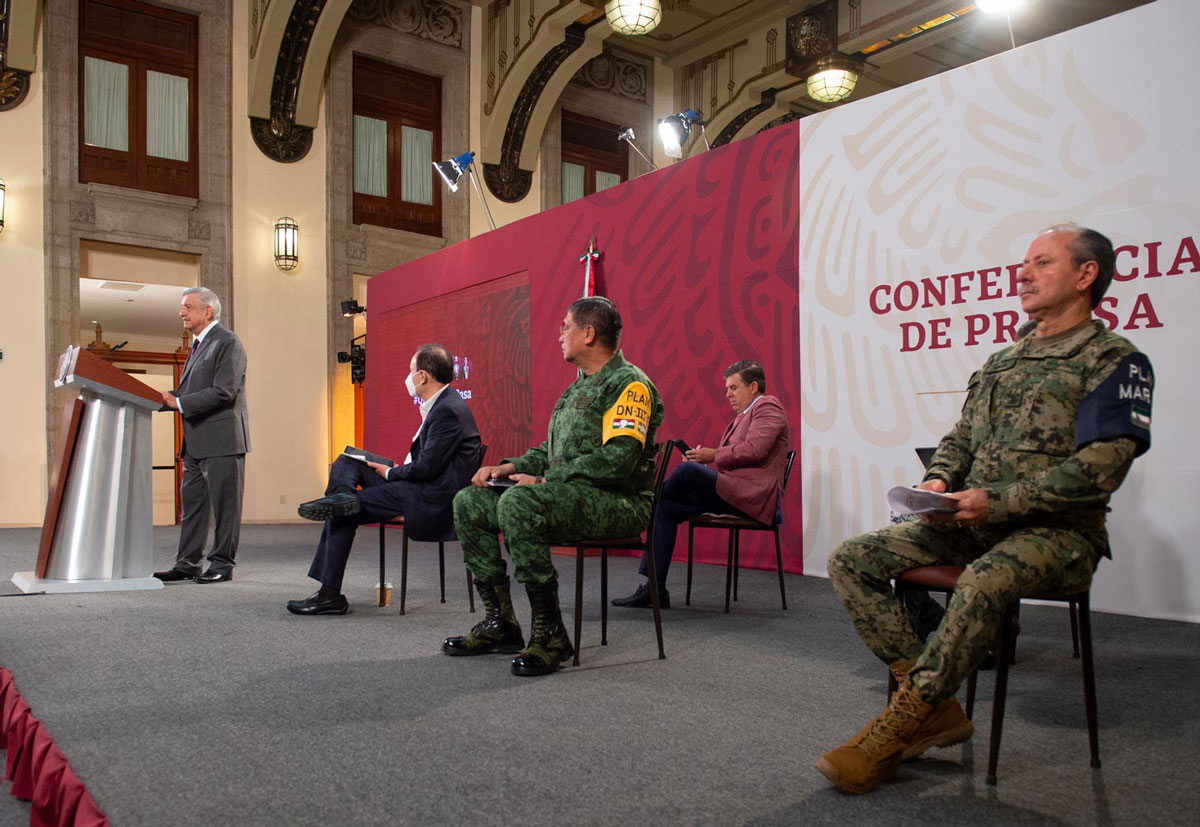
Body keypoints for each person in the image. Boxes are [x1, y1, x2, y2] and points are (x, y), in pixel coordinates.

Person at [816, 223, 1154, 794]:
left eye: (1043, 262)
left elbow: (1101, 468)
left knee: (984, 581)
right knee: (852, 558)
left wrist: (996, 501)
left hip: (1058, 534)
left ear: (1086, 274)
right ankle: (934, 707)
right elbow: (961, 438)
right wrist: (939, 480)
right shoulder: (1003, 360)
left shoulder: (1113, 359)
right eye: (1024, 263)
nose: (1023, 273)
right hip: (973, 524)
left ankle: (898, 728)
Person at [445, 297, 663, 676]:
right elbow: (551, 453)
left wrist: (545, 480)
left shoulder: (629, 384)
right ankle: (501, 623)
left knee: (519, 503)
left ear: (588, 333)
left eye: (566, 327)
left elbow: (619, 459)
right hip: (574, 495)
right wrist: (510, 467)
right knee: (469, 502)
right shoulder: (576, 389)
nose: (560, 335)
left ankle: (550, 636)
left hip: (619, 502)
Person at [287, 344, 481, 615]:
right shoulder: (443, 403)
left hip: (428, 497)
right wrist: (395, 471)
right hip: (416, 484)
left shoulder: (447, 409)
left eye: (411, 371)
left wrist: (390, 472)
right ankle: (340, 496)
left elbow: (427, 469)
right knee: (349, 460)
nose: (408, 377)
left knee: (343, 512)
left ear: (423, 376)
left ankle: (329, 595)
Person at [611, 360, 791, 608]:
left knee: (687, 471)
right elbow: (733, 463)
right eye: (727, 389)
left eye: (733, 388)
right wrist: (704, 461)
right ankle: (654, 589)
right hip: (734, 492)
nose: (728, 394)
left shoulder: (768, 406)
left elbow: (755, 450)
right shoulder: (741, 417)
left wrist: (712, 456)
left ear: (753, 387)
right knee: (665, 507)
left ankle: (645, 496)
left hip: (754, 497)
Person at [154, 287, 250, 584]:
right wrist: (151, 399)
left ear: (208, 311)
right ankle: (187, 564)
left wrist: (178, 402)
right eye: (182, 307)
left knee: (225, 508)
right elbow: (187, 393)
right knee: (193, 507)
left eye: (188, 306)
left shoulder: (227, 342)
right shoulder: (197, 345)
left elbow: (224, 392)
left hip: (222, 440)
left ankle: (222, 564)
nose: (181, 312)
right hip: (195, 443)